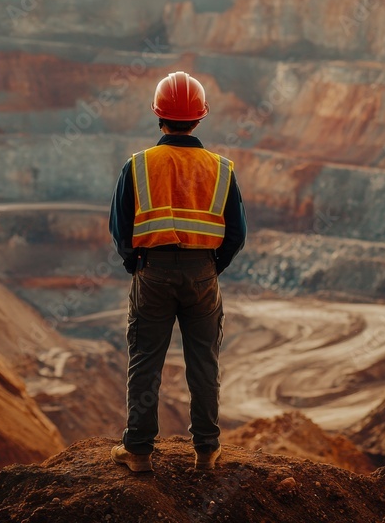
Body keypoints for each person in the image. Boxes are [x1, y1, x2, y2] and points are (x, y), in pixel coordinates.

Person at [108, 71, 247, 472]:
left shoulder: (138, 165)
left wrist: (135, 264)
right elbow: (237, 232)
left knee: (146, 361)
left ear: (159, 116)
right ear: (199, 118)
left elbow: (120, 226)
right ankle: (206, 450)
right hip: (202, 273)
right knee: (204, 361)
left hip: (152, 271)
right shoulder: (221, 168)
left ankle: (138, 451)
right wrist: (212, 266)